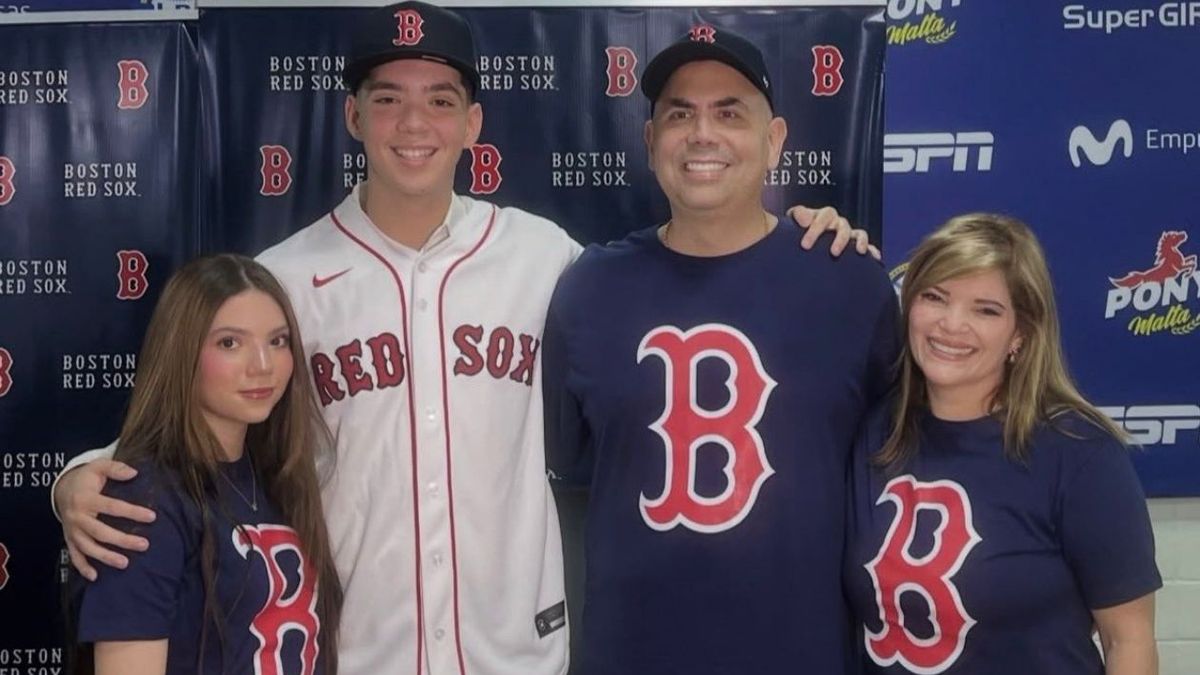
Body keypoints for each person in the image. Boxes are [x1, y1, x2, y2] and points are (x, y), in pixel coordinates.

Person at [53, 3, 871, 674]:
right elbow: (197, 424)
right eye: (388, 97)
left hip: (518, 653)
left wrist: (802, 230)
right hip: (354, 651)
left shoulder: (552, 261)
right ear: (352, 115)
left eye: (441, 99)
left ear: (474, 121)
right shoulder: (285, 278)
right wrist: (79, 476)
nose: (415, 122)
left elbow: (701, 285)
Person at [541, 28, 898, 675]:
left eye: (730, 111)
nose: (702, 133)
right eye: (680, 114)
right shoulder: (587, 289)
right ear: (650, 143)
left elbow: (899, 465)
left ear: (776, 139)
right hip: (632, 654)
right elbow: (569, 467)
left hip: (803, 655)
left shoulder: (851, 282)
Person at [844, 213, 1160, 675]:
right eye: (935, 297)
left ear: (1021, 333)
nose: (952, 325)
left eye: (985, 310)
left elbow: (1128, 640)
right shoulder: (876, 430)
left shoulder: (1079, 453)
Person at [70, 254, 341, 675]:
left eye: (278, 341)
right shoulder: (142, 499)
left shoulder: (278, 477)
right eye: (229, 343)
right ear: (182, 352)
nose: (263, 366)